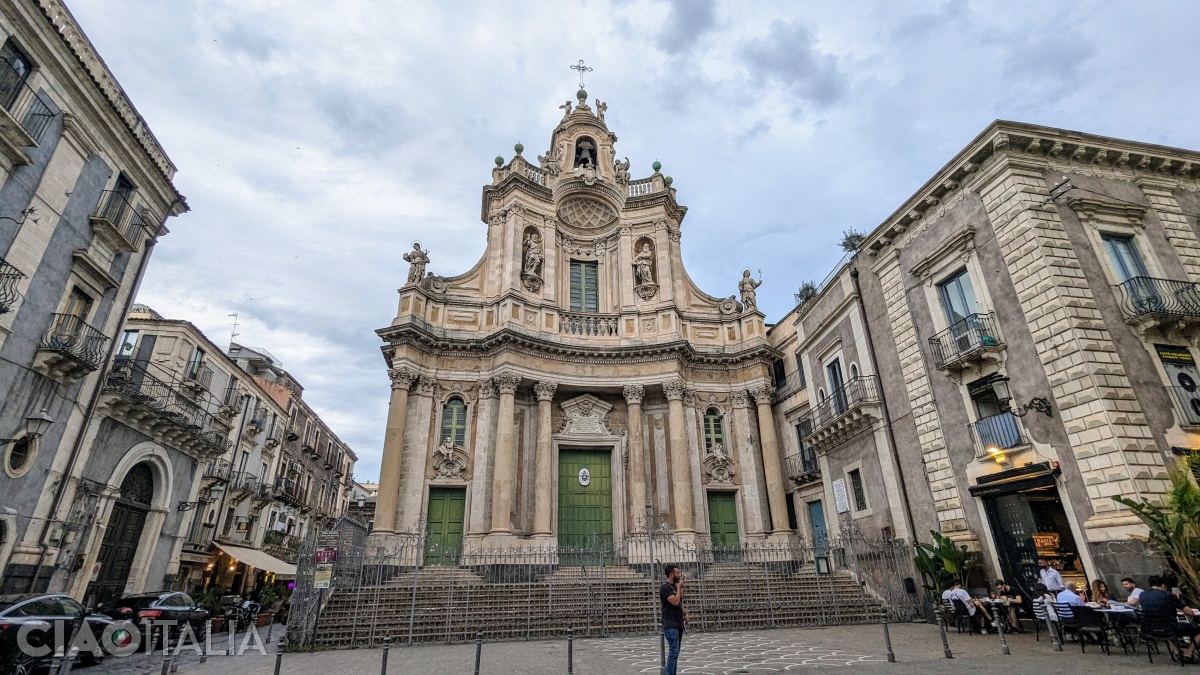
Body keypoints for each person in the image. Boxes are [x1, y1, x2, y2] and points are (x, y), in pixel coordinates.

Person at [1139, 575, 1200, 662]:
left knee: (1164, 627)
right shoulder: (1167, 595)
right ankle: (1189, 653)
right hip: (1171, 628)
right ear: (1163, 585)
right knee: (1196, 628)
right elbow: (1189, 612)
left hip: (1151, 629)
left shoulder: (1142, 595)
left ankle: (1176, 651)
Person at [660, 563, 689, 675]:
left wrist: (684, 613)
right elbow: (675, 601)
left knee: (675, 653)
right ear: (671, 574)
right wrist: (679, 588)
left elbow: (679, 604)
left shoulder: (673, 587)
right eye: (677, 573)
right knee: (673, 652)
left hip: (678, 624)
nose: (680, 575)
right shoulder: (664, 587)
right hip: (670, 625)